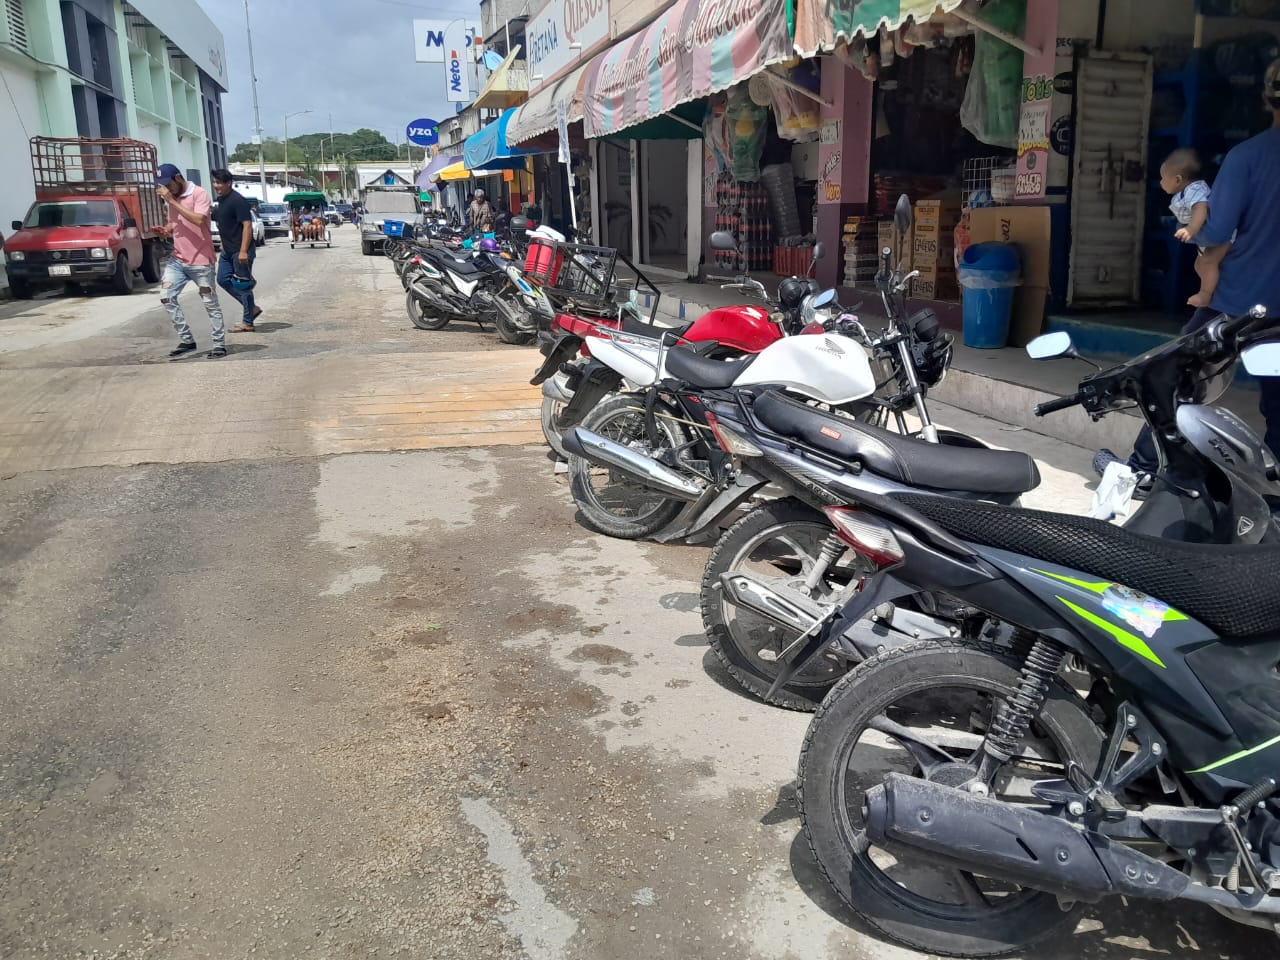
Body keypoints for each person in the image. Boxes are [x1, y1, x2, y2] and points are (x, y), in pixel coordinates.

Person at [1098, 58, 1280, 477]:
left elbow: (1215, 229)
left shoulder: (1248, 157)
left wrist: (1190, 226)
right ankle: (1273, 492)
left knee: (1175, 379)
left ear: (1266, 98)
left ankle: (1143, 470)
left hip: (1236, 303)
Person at [155, 163, 225, 360]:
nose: (166, 190)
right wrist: (166, 230)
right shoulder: (172, 199)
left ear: (178, 178)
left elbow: (199, 220)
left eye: (168, 185)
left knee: (210, 303)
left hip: (201, 260)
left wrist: (171, 201)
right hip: (178, 259)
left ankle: (219, 344)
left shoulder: (199, 194)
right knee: (166, 296)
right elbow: (175, 221)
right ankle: (187, 340)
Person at [1158, 148, 1229, 309]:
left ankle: (1206, 294)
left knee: (1207, 262)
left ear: (1177, 179)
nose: (1161, 182)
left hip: (1221, 236)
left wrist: (1191, 229)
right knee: (1199, 264)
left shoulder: (1195, 190)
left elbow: (1200, 209)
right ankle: (1212, 288)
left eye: (1163, 179)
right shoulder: (1183, 193)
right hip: (1206, 237)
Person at [211, 170, 262, 333]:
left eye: (219, 183)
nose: (216, 186)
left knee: (242, 285)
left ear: (228, 183)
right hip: (227, 250)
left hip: (240, 250)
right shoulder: (222, 200)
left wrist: (243, 251)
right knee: (223, 279)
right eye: (215, 182)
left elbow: (247, 225)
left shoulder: (237, 200)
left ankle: (248, 321)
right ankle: (251, 308)